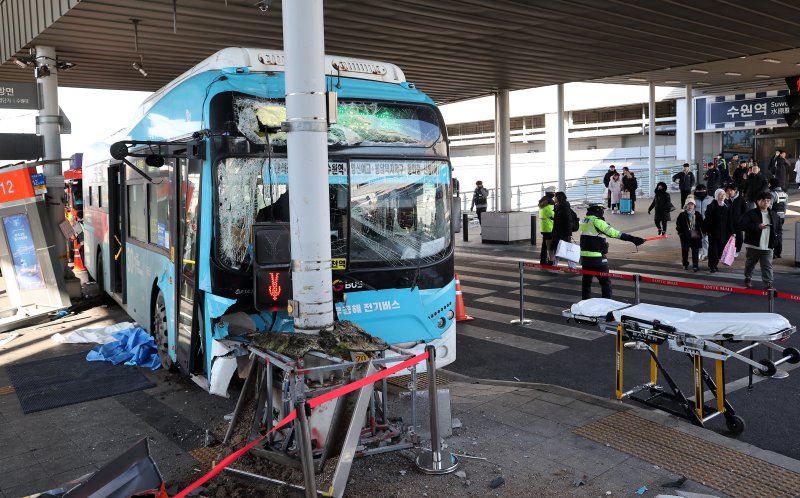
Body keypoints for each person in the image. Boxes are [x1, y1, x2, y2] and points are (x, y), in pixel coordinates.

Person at [579, 204, 645, 299]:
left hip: (584, 257)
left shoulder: (584, 220)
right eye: (602, 210)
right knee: (605, 283)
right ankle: (607, 305)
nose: (603, 212)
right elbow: (614, 233)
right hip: (597, 257)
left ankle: (584, 304)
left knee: (586, 283)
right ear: (598, 210)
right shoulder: (597, 221)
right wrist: (633, 239)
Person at [740, 191, 779, 289]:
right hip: (754, 245)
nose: (766, 202)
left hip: (768, 245)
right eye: (764, 200)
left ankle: (768, 284)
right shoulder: (751, 213)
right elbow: (742, 225)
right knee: (750, 263)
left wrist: (777, 242)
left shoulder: (774, 215)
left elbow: (779, 230)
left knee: (767, 265)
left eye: (768, 201)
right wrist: (757, 226)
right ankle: (748, 277)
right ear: (758, 201)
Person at [703, 188, 735, 273]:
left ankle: (715, 264)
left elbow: (730, 220)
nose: (723, 196)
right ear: (717, 195)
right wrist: (704, 230)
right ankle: (711, 266)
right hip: (713, 232)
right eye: (721, 195)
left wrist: (732, 231)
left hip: (724, 232)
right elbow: (707, 219)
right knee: (713, 250)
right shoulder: (711, 206)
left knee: (720, 249)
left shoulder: (727, 206)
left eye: (724, 194)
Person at [675, 197, 703, 272]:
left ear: (694, 206)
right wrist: (680, 233)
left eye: (692, 204)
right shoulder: (682, 215)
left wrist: (704, 232)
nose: (690, 206)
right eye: (688, 204)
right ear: (685, 205)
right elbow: (678, 225)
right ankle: (685, 264)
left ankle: (695, 266)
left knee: (695, 251)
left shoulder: (697, 214)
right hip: (685, 236)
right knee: (685, 251)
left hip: (695, 235)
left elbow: (701, 224)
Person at [551, 191, 576, 268]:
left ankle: (572, 266)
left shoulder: (564, 207)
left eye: (555, 197)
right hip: (559, 232)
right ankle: (554, 264)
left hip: (563, 233)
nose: (554, 198)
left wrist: (568, 234)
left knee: (566, 249)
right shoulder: (558, 206)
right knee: (558, 248)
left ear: (559, 198)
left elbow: (568, 221)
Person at [768, 177, 787, 259]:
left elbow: (769, 206)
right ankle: (778, 252)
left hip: (774, 217)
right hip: (782, 217)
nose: (768, 185)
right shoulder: (784, 194)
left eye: (769, 183)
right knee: (779, 234)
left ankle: (773, 252)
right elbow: (785, 206)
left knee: (772, 234)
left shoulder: (772, 194)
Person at [724, 183, 745, 256]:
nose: (729, 192)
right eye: (727, 191)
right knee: (728, 237)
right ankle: (728, 250)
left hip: (738, 222)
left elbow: (744, 211)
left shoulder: (741, 199)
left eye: (730, 190)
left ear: (735, 190)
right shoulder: (726, 199)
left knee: (739, 238)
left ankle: (737, 250)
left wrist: (741, 219)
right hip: (728, 222)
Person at [693, 184, 712, 261]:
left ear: (706, 190)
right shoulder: (692, 199)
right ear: (696, 191)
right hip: (695, 222)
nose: (701, 192)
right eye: (699, 190)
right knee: (695, 238)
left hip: (706, 222)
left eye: (703, 190)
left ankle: (705, 253)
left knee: (705, 238)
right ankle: (698, 252)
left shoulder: (710, 199)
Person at [538, 191, 555, 265]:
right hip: (549, 227)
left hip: (544, 227)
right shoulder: (548, 207)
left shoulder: (542, 206)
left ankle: (543, 260)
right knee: (549, 246)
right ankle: (549, 261)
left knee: (544, 245)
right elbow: (553, 216)